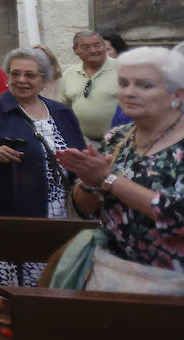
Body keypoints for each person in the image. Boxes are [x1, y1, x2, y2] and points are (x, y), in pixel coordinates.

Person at [0, 48, 86, 292]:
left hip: (59, 211)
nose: (22, 80)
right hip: (12, 209)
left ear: (45, 81)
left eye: (30, 75)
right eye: (15, 74)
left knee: (52, 279)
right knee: (14, 284)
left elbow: (79, 153)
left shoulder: (62, 112)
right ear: (7, 77)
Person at [57, 47, 184, 293]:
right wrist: (89, 180)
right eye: (123, 83)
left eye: (144, 86)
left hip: (173, 283)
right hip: (114, 274)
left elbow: (178, 215)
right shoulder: (118, 138)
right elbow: (85, 210)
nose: (129, 92)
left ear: (176, 94)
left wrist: (108, 179)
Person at [61, 31, 120, 146]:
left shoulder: (123, 69)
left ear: (104, 46)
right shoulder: (69, 74)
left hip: (118, 142)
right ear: (75, 50)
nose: (93, 50)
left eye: (97, 45)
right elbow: (64, 108)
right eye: (86, 47)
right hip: (82, 142)